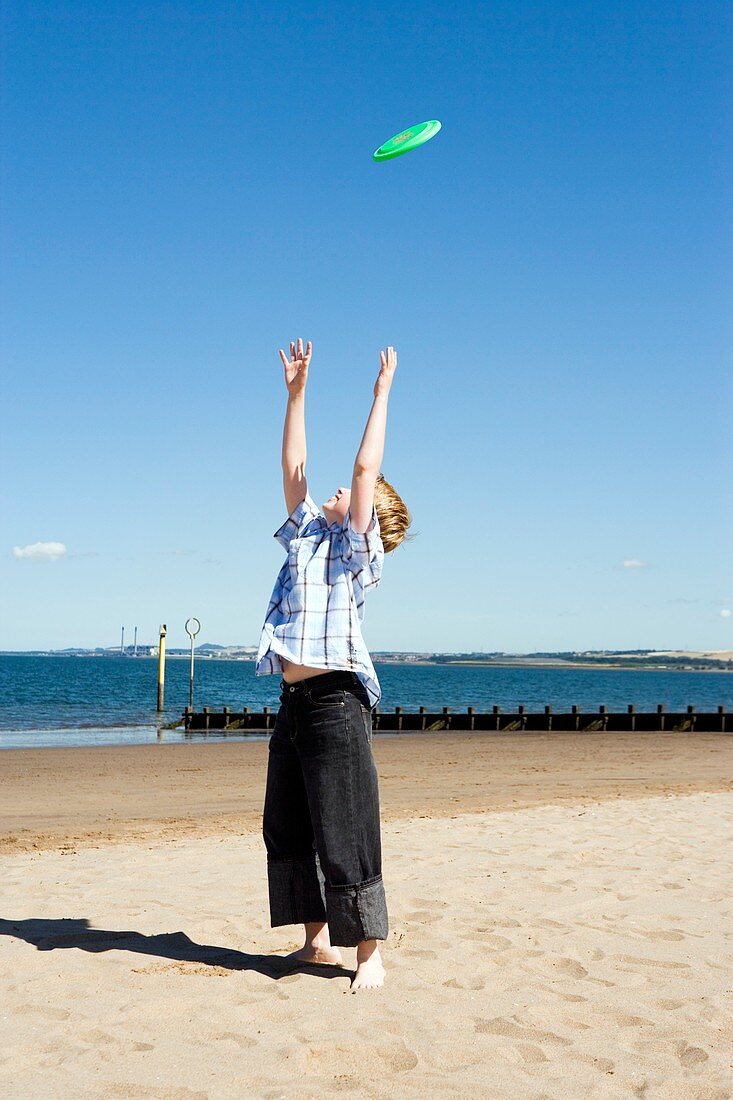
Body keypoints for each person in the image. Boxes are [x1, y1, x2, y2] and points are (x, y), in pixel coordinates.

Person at [256, 337, 412, 992]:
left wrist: (380, 394)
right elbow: (294, 465)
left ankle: (368, 956)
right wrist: (296, 393)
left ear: (366, 519)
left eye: (352, 493)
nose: (338, 490)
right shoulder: (308, 535)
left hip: (337, 703)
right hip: (294, 706)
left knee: (346, 829)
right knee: (288, 824)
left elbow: (364, 466)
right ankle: (314, 943)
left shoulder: (354, 553)